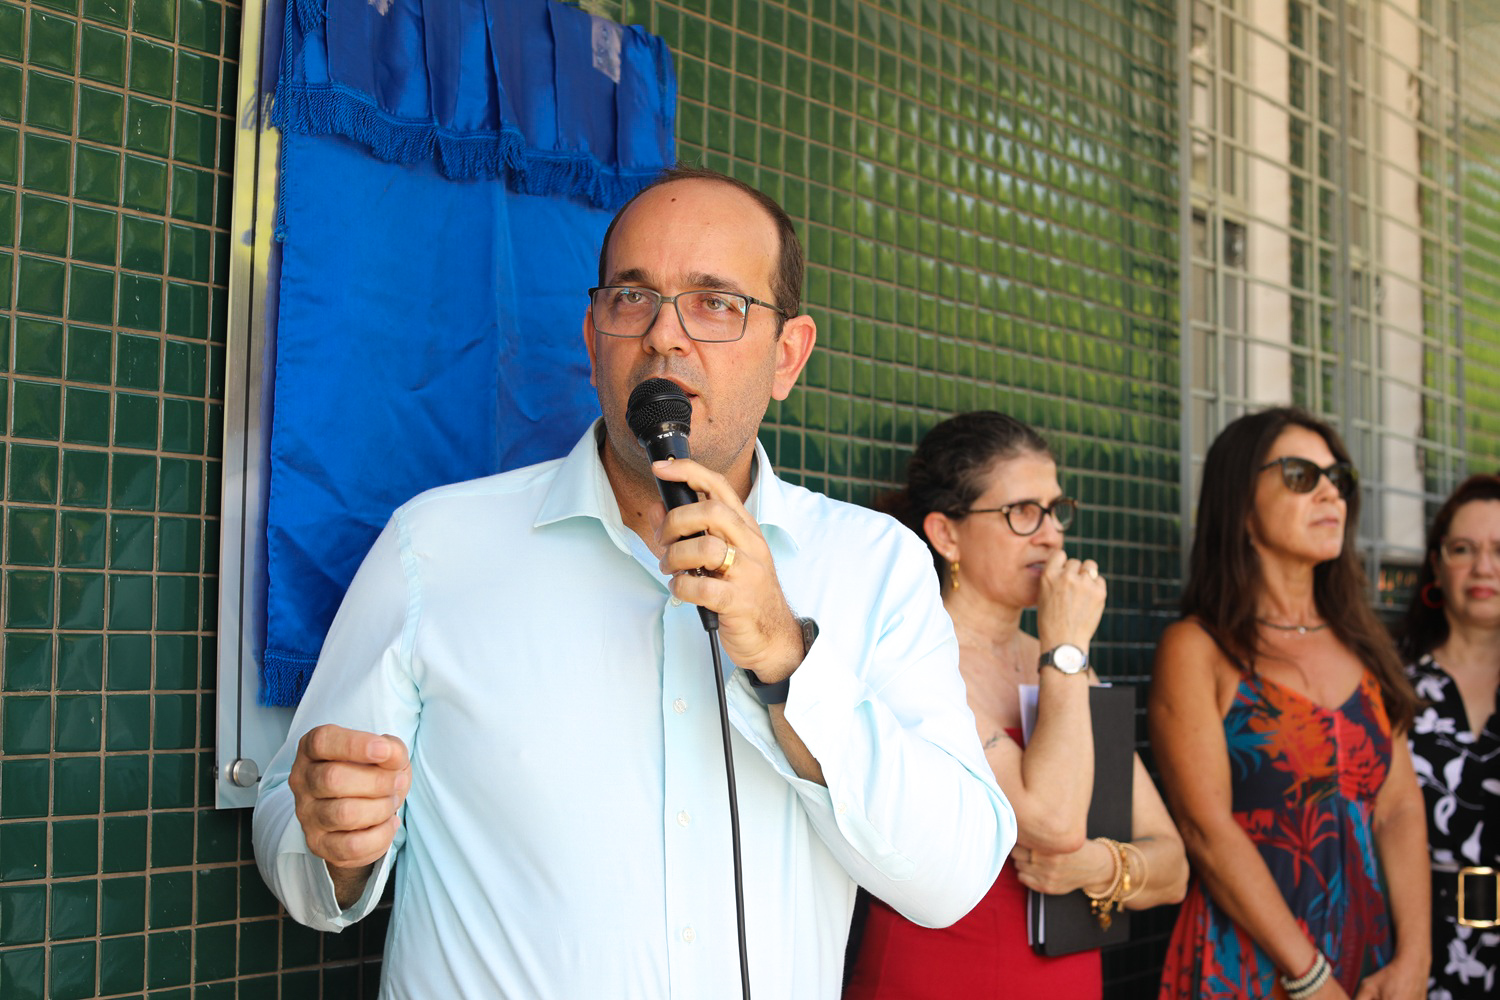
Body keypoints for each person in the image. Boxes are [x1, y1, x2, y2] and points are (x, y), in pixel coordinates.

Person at [251, 166, 1016, 999]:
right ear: (592, 338)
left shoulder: (874, 567)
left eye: (716, 302)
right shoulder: (434, 545)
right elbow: (295, 835)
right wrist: (334, 847)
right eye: (631, 297)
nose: (664, 336)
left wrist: (790, 663)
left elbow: (950, 881)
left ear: (787, 356)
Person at [843, 411, 1187, 998]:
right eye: (1022, 513)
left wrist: (1098, 867)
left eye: (1055, 511)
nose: (1051, 534)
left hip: (1065, 976)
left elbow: (1173, 865)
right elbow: (1051, 821)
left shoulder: (1060, 662)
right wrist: (1068, 646)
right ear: (946, 534)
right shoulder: (912, 655)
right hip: (938, 974)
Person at [1151, 407, 1429, 1000]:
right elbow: (1206, 829)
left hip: (1370, 956)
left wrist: (1414, 958)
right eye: (1302, 475)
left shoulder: (1364, 641)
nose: (1330, 491)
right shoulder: (1198, 649)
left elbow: (1399, 806)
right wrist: (1309, 978)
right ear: (1242, 506)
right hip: (1253, 962)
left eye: (1339, 478)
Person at [1394, 474, 1500, 999]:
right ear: (1437, 564)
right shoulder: (1393, 683)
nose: (1485, 567)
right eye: (1464, 549)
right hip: (1415, 951)